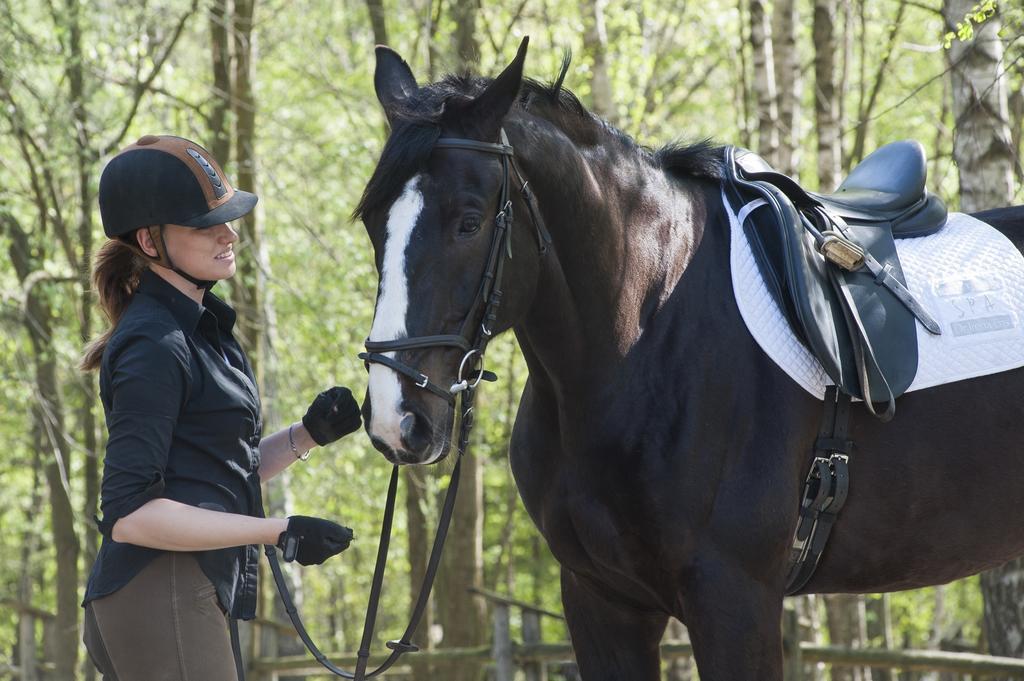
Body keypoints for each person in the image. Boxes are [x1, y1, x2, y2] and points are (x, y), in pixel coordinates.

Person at [79, 134, 361, 680]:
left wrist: (308, 435)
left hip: (184, 587)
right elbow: (130, 516)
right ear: (151, 241)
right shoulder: (154, 343)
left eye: (227, 220)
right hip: (161, 587)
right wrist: (278, 529)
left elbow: (213, 472)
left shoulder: (206, 329)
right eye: (205, 225)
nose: (229, 234)